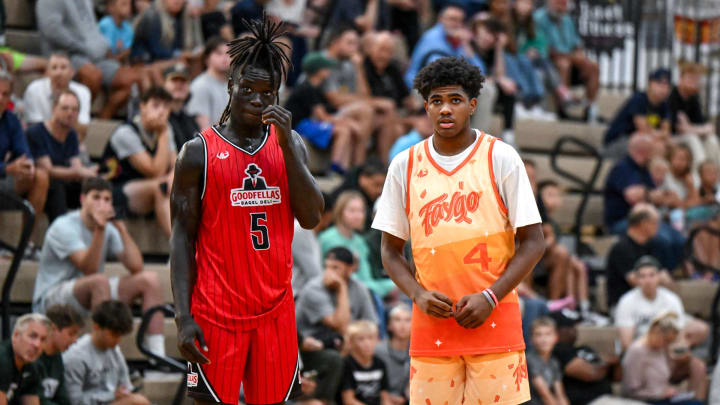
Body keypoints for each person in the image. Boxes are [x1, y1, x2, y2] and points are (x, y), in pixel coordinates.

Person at [373, 56, 545, 404]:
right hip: (432, 327)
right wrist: (417, 294)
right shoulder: (404, 165)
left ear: (473, 105)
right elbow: (390, 251)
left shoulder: (501, 157)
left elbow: (534, 242)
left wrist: (490, 296)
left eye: (455, 100)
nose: (445, 109)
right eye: (436, 101)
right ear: (426, 107)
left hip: (495, 321)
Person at [170, 17, 324, 405]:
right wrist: (183, 317)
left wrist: (288, 146)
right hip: (215, 311)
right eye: (248, 89)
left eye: (267, 92)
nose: (257, 99)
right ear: (230, 86)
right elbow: (181, 238)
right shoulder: (197, 153)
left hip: (275, 312)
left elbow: (311, 217)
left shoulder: (292, 146)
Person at [32, 177, 166, 358]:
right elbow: (89, 269)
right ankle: (103, 357)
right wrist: (100, 229)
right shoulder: (63, 227)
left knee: (149, 280)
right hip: (52, 297)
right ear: (82, 199)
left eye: (107, 199)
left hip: (91, 291)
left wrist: (122, 230)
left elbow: (136, 266)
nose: (102, 203)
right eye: (96, 197)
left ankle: (157, 357)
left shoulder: (109, 228)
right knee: (99, 281)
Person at [36, 0, 140, 119]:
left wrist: (102, 45)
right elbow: (52, 30)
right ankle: (76, 120)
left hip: (93, 55)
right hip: (65, 54)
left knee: (130, 79)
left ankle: (102, 120)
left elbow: (91, 29)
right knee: (93, 76)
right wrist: (81, 47)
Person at [103, 87, 176, 237]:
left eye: (165, 106)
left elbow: (175, 163)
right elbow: (155, 171)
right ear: (142, 106)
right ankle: (179, 250)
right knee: (161, 186)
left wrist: (173, 176)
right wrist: (162, 134)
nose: (161, 111)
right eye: (156, 105)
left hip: (149, 189)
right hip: (116, 191)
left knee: (181, 186)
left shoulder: (167, 127)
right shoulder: (125, 133)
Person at [285, 52, 368, 173]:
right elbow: (322, 116)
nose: (329, 70)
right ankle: (335, 166)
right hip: (299, 126)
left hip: (308, 123)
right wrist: (346, 122)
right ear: (319, 70)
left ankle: (345, 168)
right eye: (326, 67)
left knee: (346, 128)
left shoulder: (316, 87)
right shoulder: (307, 87)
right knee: (343, 130)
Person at [27, 90, 98, 222]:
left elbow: (76, 164)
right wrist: (81, 172)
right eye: (65, 108)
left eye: (75, 109)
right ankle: (61, 236)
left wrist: (90, 173)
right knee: (56, 186)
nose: (70, 113)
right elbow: (48, 170)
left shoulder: (71, 135)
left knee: (95, 188)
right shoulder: (36, 132)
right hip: (37, 187)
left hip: (63, 184)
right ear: (54, 109)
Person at [62, 301, 150, 405]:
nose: (118, 340)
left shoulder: (114, 350)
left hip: (110, 401)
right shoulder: (76, 356)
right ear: (97, 327)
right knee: (137, 401)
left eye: (120, 335)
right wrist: (112, 395)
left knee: (138, 400)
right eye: (113, 334)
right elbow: (74, 401)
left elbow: (126, 386)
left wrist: (124, 393)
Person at [615, 256, 709, 351]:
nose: (647, 281)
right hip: (640, 349)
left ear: (659, 276)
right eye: (642, 276)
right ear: (636, 279)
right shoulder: (626, 301)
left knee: (700, 330)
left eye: (652, 275)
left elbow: (679, 330)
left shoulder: (671, 298)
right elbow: (626, 343)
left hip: (667, 347)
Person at [296, 247, 379, 349]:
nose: (328, 273)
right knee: (336, 354)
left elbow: (371, 324)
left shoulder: (359, 288)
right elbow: (339, 326)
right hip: (311, 342)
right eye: (326, 267)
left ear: (350, 269)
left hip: (344, 340)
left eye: (335, 268)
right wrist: (342, 288)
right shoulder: (314, 288)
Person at [320, 191, 397, 300]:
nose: (358, 216)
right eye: (352, 211)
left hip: (365, 291)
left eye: (361, 211)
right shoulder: (328, 239)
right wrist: (388, 286)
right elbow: (347, 279)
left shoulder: (360, 241)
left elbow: (366, 277)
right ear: (340, 212)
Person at [0, 70, 49, 240]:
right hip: (4, 172)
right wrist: (7, 168)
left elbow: (23, 150)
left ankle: (25, 243)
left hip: (4, 178)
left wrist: (28, 166)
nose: (0, 98)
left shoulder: (11, 120)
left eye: (5, 94)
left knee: (40, 176)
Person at [533, 0, 599, 122]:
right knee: (563, 64)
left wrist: (579, 55)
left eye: (563, 3)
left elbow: (577, 44)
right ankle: (562, 108)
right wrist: (571, 56)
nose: (561, 6)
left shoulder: (567, 20)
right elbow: (544, 48)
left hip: (571, 60)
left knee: (593, 67)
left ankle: (590, 108)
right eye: (558, 3)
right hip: (549, 63)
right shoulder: (538, 18)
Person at [622, 312, 705, 405]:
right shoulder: (636, 351)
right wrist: (659, 394)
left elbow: (665, 378)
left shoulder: (661, 349)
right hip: (647, 400)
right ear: (655, 331)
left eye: (670, 342)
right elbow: (631, 391)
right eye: (666, 340)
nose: (667, 344)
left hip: (665, 398)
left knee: (697, 403)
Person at [605, 204, 674, 308]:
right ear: (643, 224)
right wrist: (658, 279)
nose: (658, 227)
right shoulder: (621, 248)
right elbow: (639, 283)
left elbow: (668, 283)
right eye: (655, 223)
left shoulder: (654, 246)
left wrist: (657, 280)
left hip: (653, 305)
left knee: (697, 325)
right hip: (626, 307)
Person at [549, 309, 620, 405]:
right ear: (556, 331)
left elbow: (617, 377)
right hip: (588, 401)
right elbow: (591, 374)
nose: (574, 331)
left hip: (608, 398)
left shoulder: (584, 348)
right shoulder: (558, 350)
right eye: (569, 327)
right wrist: (608, 361)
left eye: (575, 327)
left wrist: (614, 361)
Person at [23, 53, 92, 140]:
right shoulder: (34, 90)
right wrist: (63, 119)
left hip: (71, 141)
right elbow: (34, 129)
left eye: (63, 67)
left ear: (72, 72)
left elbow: (83, 128)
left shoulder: (83, 92)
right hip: (40, 143)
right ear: (47, 72)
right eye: (54, 68)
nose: (59, 73)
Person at [604, 69, 672, 157]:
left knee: (671, 147)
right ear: (650, 84)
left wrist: (659, 135)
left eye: (667, 85)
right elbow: (644, 130)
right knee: (652, 146)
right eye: (659, 83)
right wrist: (660, 135)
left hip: (644, 140)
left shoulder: (664, 105)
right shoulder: (638, 99)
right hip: (617, 142)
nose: (663, 88)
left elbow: (666, 132)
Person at [668, 62, 720, 168]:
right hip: (672, 137)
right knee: (692, 139)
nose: (694, 82)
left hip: (688, 134)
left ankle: (715, 176)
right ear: (681, 78)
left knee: (712, 139)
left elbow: (708, 127)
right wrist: (696, 129)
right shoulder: (672, 96)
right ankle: (701, 174)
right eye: (690, 78)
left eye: (696, 79)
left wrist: (691, 128)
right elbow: (678, 128)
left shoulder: (693, 98)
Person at [38, 304, 86, 405]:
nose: (75, 340)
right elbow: (36, 400)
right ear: (53, 329)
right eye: (71, 334)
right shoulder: (32, 356)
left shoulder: (57, 357)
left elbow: (63, 398)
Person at [0, 314, 50, 405]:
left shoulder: (33, 366)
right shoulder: (2, 359)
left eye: (43, 339)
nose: (37, 345)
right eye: (33, 336)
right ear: (16, 335)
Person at [328, 157, 388, 231]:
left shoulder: (371, 197)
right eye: (376, 185)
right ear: (363, 179)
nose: (380, 190)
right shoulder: (345, 196)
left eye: (383, 186)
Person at [339, 320, 391, 405]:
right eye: (361, 339)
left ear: (377, 340)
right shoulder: (346, 364)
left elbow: (385, 397)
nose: (367, 343)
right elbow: (348, 401)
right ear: (351, 342)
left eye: (370, 338)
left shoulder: (380, 363)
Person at [186, 36, 231, 130]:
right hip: (210, 142)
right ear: (207, 59)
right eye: (219, 53)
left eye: (228, 53)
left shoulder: (232, 85)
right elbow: (203, 129)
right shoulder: (200, 85)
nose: (225, 57)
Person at [526, 317, 570, 405]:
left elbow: (560, 395)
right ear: (531, 339)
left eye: (548, 334)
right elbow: (545, 395)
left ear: (556, 337)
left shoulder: (554, 362)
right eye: (538, 335)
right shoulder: (529, 359)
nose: (543, 339)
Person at [375, 304, 411, 404]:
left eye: (408, 320)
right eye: (397, 320)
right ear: (389, 325)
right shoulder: (378, 350)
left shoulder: (418, 352)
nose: (402, 325)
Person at [163, 63, 200, 148]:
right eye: (174, 80)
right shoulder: (160, 118)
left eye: (183, 81)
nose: (179, 85)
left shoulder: (192, 120)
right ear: (164, 85)